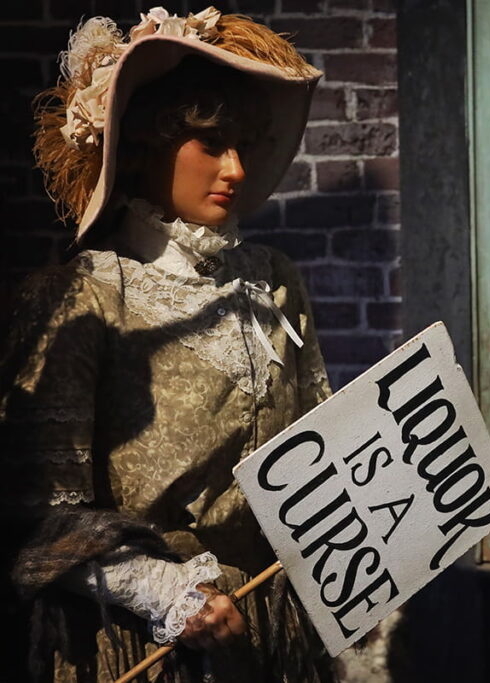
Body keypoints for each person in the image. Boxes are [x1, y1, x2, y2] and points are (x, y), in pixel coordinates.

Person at [0, 7, 335, 681]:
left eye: (243, 144)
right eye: (211, 145)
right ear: (146, 147)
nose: (235, 169)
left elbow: (324, 455)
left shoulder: (274, 284)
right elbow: (39, 520)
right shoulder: (84, 296)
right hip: (142, 645)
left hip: (272, 634)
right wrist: (166, 592)